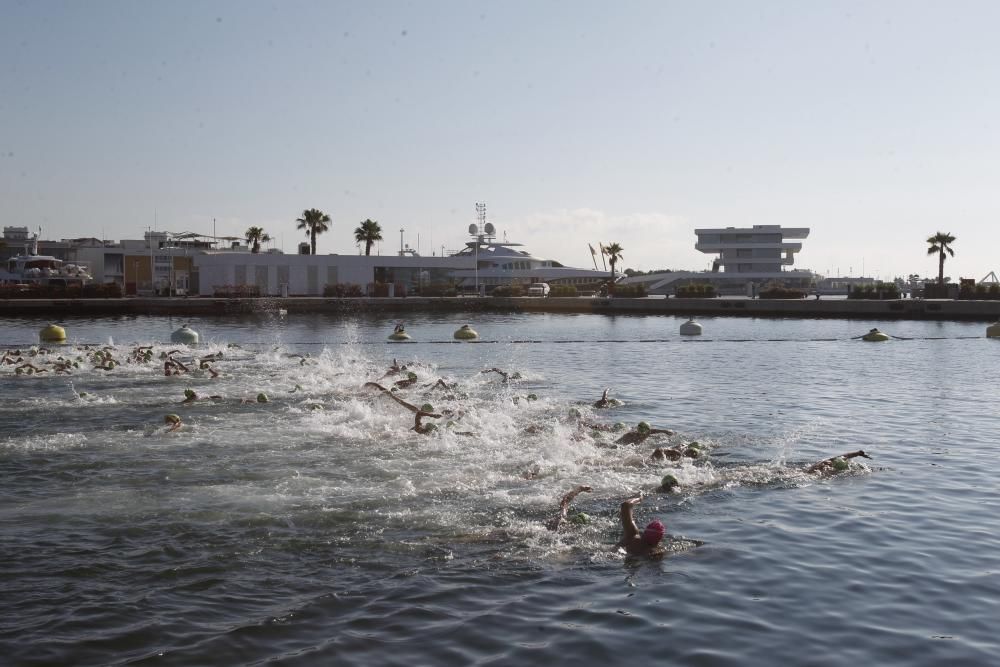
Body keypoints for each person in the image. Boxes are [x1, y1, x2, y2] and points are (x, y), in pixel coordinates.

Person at [806, 450, 872, 474]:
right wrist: (859, 453)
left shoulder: (828, 461)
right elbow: (846, 456)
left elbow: (846, 456)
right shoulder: (830, 464)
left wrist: (858, 453)